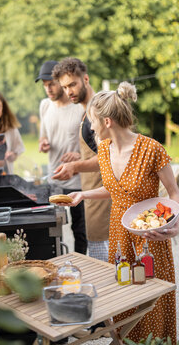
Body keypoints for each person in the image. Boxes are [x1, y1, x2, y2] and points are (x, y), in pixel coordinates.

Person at [59, 81, 179, 343]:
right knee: (124, 297)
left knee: (151, 302)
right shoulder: (104, 150)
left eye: (92, 122)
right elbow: (116, 189)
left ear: (107, 121)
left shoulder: (152, 149)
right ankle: (122, 339)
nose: (91, 128)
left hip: (151, 237)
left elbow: (174, 192)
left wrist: (174, 226)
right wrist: (83, 194)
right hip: (119, 234)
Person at [52, 58, 111, 262]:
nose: (69, 91)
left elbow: (112, 158)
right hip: (95, 202)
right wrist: (80, 156)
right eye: (65, 87)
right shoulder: (87, 112)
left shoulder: (97, 113)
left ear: (85, 79)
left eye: (72, 84)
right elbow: (101, 151)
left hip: (105, 207)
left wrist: (75, 166)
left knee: (106, 273)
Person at [35, 60, 87, 255]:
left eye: (51, 84)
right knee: (54, 229)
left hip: (77, 179)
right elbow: (43, 136)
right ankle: (60, 264)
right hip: (54, 178)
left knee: (79, 229)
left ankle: (82, 263)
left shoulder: (80, 107)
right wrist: (43, 143)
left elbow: (95, 144)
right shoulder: (44, 106)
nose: (48, 89)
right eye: (45, 85)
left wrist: (80, 155)